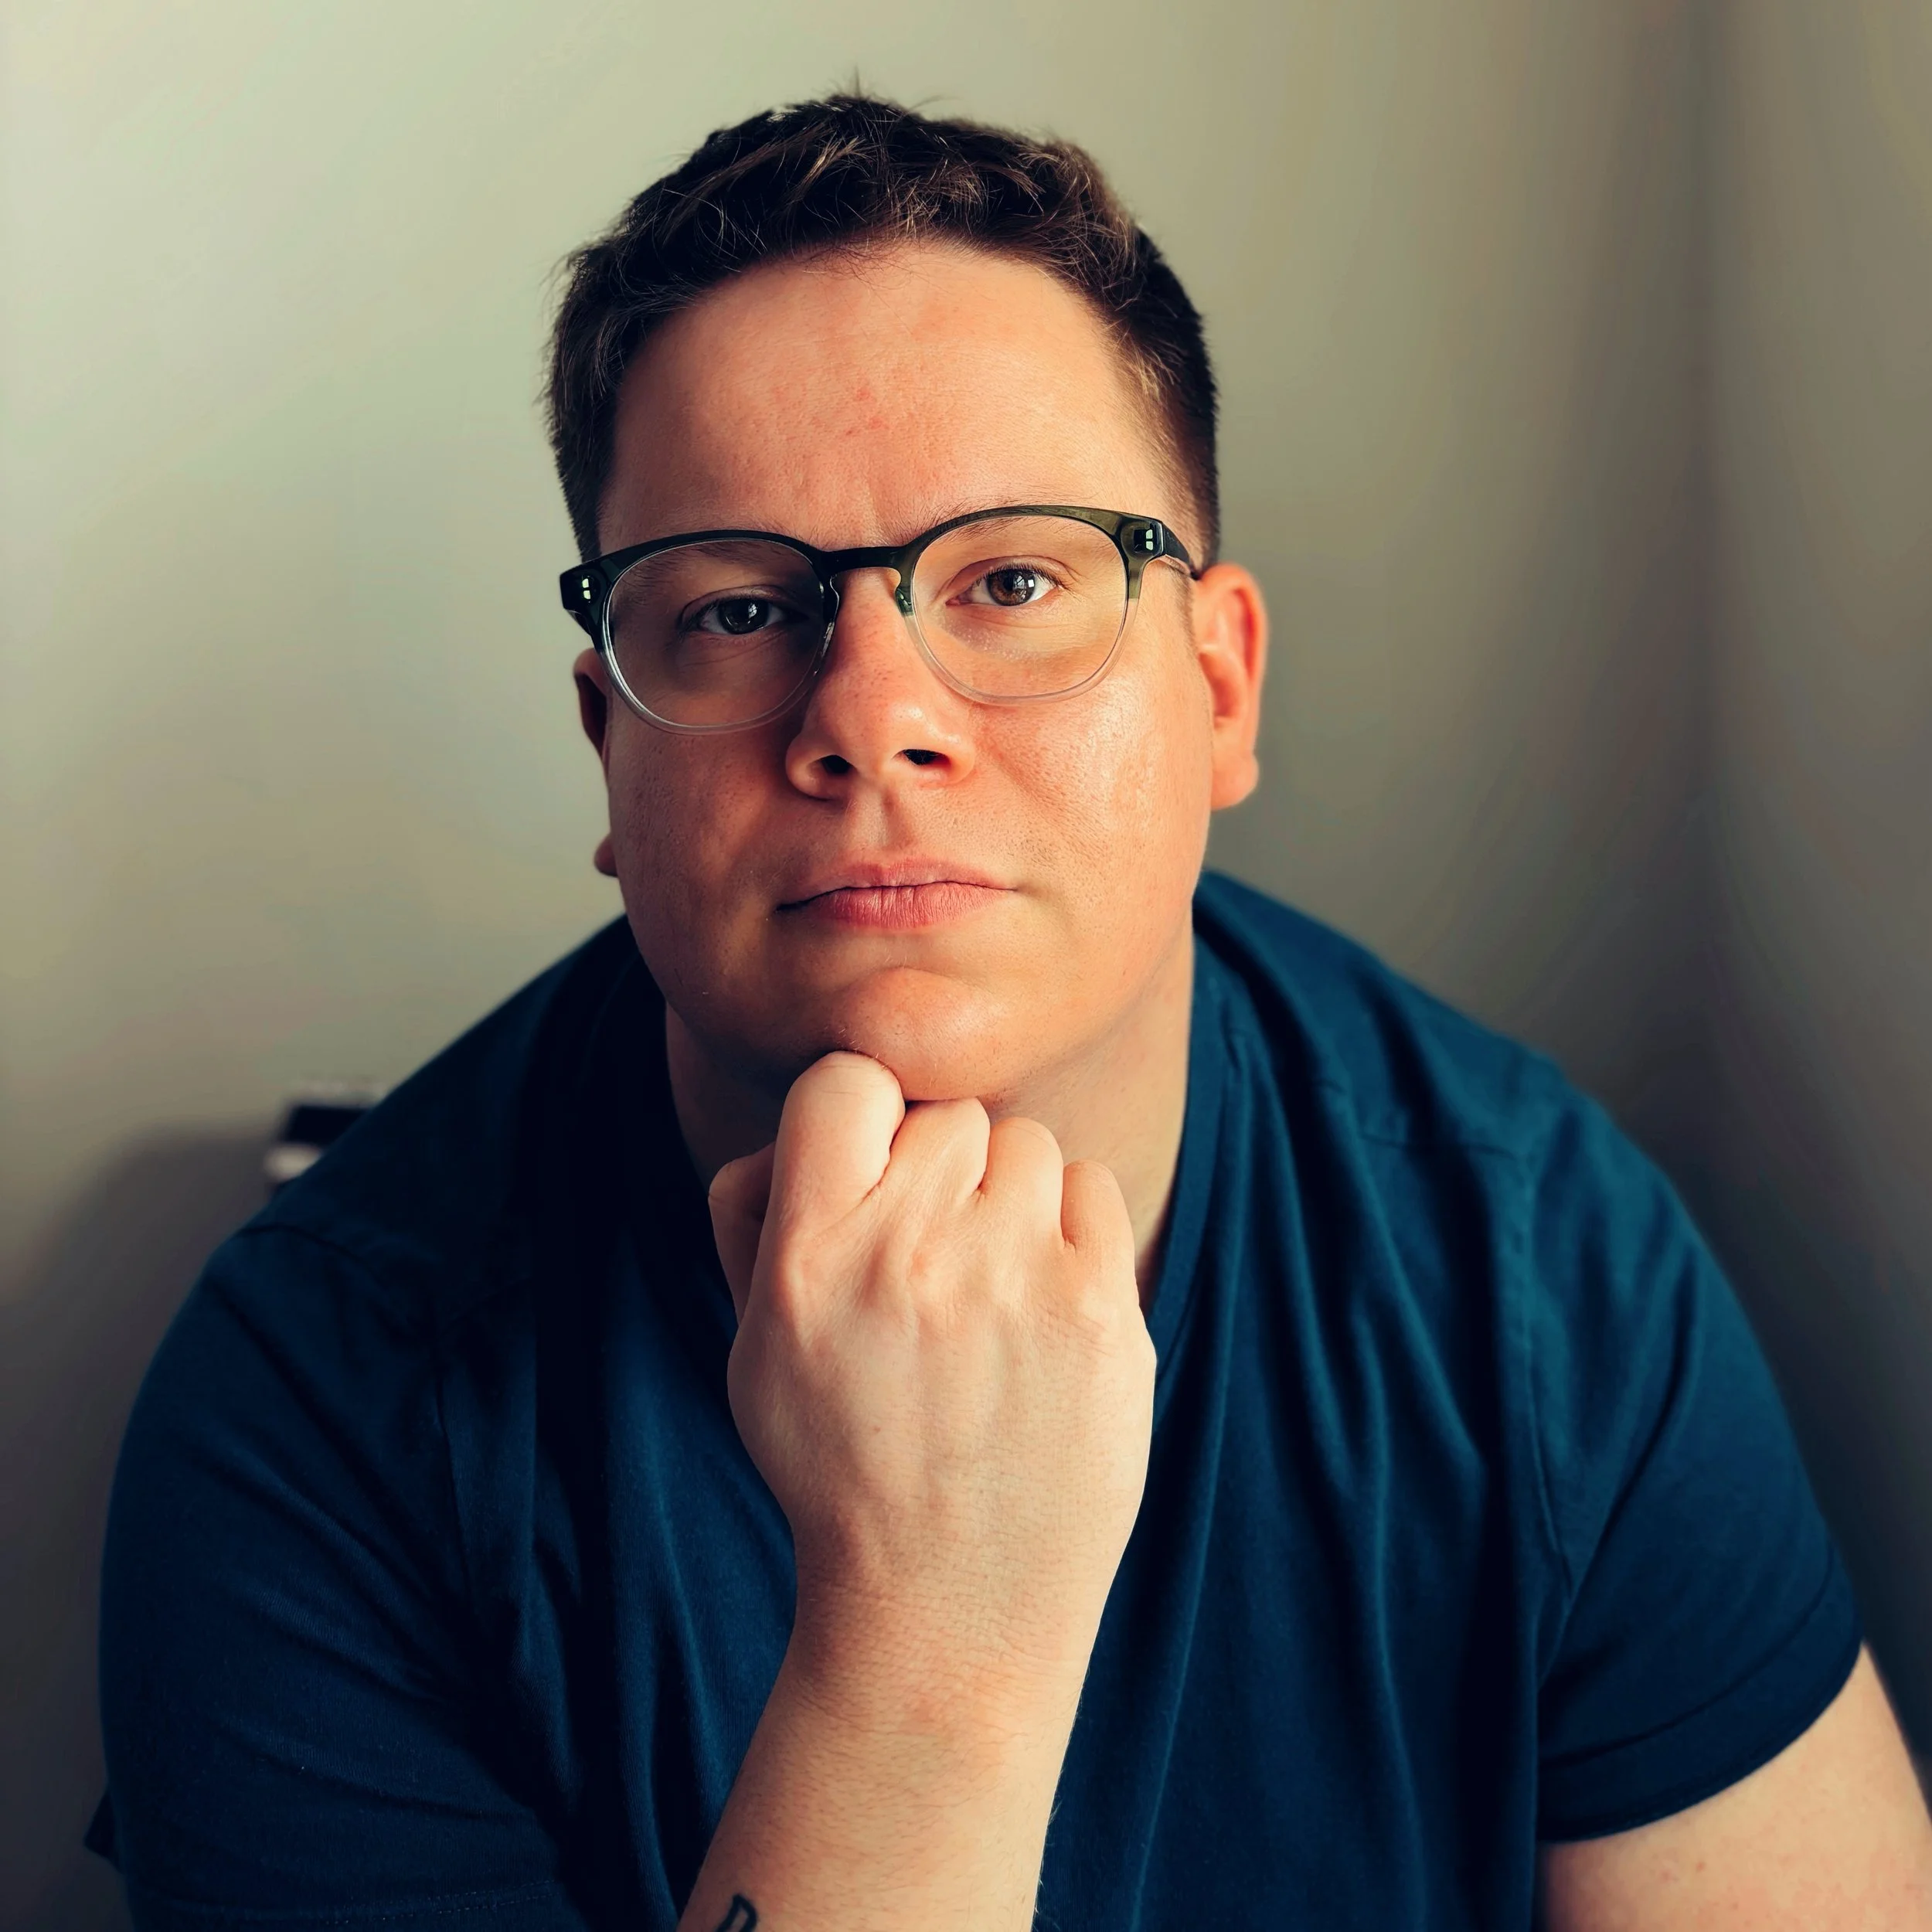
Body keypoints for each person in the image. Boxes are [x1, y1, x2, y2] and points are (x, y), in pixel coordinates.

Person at [91, 94, 1932, 1932]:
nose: (868, 711)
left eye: (1015, 579)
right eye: (737, 612)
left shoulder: (1537, 1266)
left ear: (1215, 688)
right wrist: (921, 1646)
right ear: (609, 745)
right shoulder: (310, 1406)